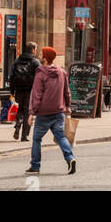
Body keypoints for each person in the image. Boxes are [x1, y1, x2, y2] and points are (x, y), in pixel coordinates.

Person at [25, 47, 75, 176]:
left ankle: (35, 166)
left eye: (41, 54)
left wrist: (31, 113)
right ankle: (70, 158)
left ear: (45, 58)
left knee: (37, 139)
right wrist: (68, 106)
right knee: (61, 137)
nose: (39, 56)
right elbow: (67, 92)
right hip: (59, 111)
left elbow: (37, 95)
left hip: (43, 113)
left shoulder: (40, 73)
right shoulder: (62, 72)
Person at [8, 41, 41, 142]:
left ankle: (18, 126)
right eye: (35, 49)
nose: (36, 51)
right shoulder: (35, 62)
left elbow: (12, 76)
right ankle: (25, 135)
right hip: (30, 90)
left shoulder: (17, 61)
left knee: (20, 109)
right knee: (28, 111)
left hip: (19, 89)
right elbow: (39, 78)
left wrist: (12, 91)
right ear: (32, 50)